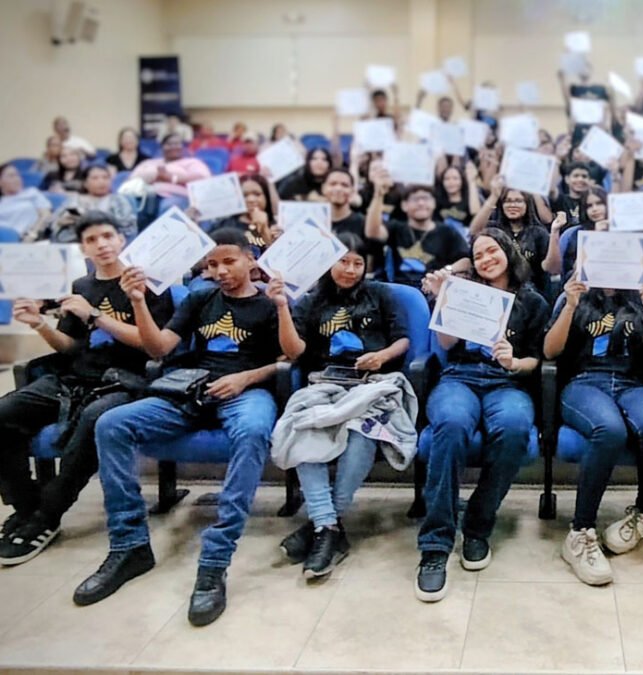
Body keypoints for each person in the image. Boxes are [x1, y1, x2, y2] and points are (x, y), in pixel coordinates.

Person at [74, 228, 282, 626]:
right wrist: (137, 301)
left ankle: (215, 559)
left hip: (247, 392)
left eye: (228, 261)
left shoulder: (270, 303)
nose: (219, 270)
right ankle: (130, 544)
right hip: (192, 388)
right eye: (211, 264)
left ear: (250, 260)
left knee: (254, 432)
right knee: (112, 424)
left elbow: (288, 361)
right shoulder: (200, 297)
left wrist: (245, 378)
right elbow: (159, 348)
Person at [0, 214, 174, 566]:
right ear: (84, 247)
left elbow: (150, 346)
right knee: (4, 414)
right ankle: (27, 505)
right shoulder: (82, 286)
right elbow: (70, 346)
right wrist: (39, 326)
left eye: (108, 236)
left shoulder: (148, 284)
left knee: (96, 419)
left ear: (122, 239)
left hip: (126, 380)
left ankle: (47, 517)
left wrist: (95, 315)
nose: (102, 244)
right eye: (92, 239)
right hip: (74, 377)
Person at [415, 229, 550, 601]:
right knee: (452, 424)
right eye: (478, 255)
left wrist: (513, 360)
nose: (486, 259)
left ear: (508, 251)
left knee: (515, 426)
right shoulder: (463, 290)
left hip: (506, 382)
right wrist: (446, 301)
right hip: (460, 377)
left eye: (493, 250)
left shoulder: (532, 301)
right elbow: (445, 345)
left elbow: (535, 361)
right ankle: (435, 544)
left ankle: (478, 523)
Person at [268, 233, 411, 579]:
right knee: (304, 430)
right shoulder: (311, 301)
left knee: (360, 434)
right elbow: (294, 352)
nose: (350, 269)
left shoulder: (381, 294)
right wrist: (282, 306)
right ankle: (329, 529)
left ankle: (321, 526)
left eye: (357, 263)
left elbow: (403, 340)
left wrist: (382, 356)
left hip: (373, 385)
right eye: (342, 261)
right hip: (325, 384)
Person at [543, 274, 643, 586]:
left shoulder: (642, 299)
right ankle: (580, 532)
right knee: (609, 430)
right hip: (584, 383)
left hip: (631, 384)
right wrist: (570, 304)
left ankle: (642, 514)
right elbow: (550, 352)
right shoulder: (573, 297)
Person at [364, 165, 470, 288]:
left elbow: (466, 261)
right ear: (404, 205)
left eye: (425, 198)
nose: (421, 203)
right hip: (397, 290)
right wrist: (379, 194)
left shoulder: (447, 232)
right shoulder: (396, 228)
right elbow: (372, 232)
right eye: (415, 199)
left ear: (434, 203)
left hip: (432, 290)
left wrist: (446, 271)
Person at [469, 176, 558, 292]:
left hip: (530, 293)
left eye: (518, 201)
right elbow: (474, 231)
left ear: (527, 205)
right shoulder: (494, 229)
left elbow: (550, 268)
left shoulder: (539, 233)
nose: (512, 205)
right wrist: (494, 196)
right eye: (507, 201)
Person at [46, 165, 137, 243]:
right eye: (95, 178)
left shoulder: (118, 200)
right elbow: (54, 223)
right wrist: (61, 223)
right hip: (75, 245)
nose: (101, 181)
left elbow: (129, 229)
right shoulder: (73, 200)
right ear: (85, 183)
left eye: (105, 177)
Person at [130, 133, 212, 210]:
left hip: (176, 196)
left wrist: (171, 178)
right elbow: (132, 178)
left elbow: (202, 178)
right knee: (127, 202)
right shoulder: (149, 163)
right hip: (144, 194)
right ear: (162, 147)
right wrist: (154, 176)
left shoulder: (192, 162)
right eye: (169, 144)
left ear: (182, 147)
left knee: (170, 206)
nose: (173, 147)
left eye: (176, 144)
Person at [208, 174, 277, 254]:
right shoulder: (223, 225)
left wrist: (264, 230)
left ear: (266, 197)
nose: (251, 199)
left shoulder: (277, 226)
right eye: (244, 195)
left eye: (257, 194)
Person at [0, 163, 52, 240]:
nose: (17, 178)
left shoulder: (31, 193)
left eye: (17, 175)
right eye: (11, 176)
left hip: (29, 239)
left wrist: (33, 234)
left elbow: (46, 215)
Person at [435, 163, 481, 230]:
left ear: (462, 181)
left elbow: (476, 213)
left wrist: (472, 181)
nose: (451, 182)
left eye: (455, 178)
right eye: (447, 179)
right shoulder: (437, 200)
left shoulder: (469, 199)